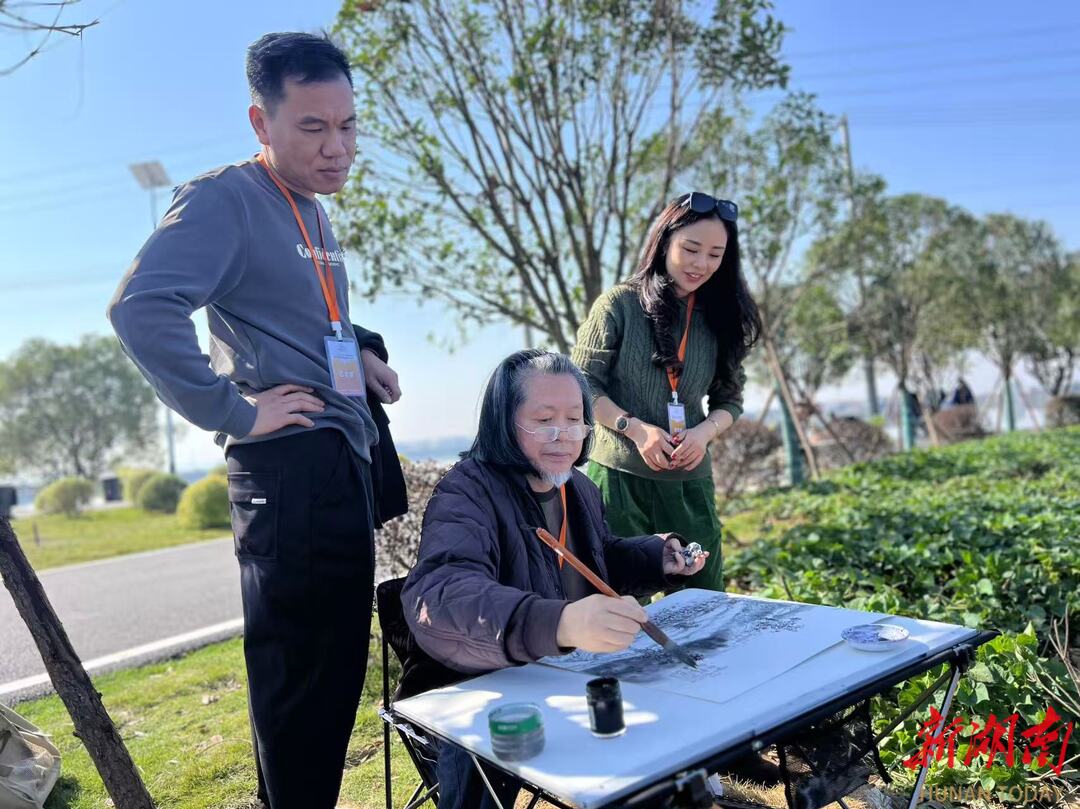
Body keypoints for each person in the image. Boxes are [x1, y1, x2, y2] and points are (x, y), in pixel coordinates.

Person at [107, 33, 402, 809]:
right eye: (313, 127)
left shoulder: (311, 211)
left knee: (331, 680)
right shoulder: (225, 199)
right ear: (260, 122)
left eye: (348, 125)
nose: (338, 147)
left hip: (337, 461)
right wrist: (232, 409)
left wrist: (361, 352)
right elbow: (140, 308)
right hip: (289, 472)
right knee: (301, 687)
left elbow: (301, 318)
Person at [402, 350, 708, 809]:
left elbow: (598, 560)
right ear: (504, 421)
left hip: (568, 672)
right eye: (544, 420)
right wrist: (561, 623)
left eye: (575, 419)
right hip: (479, 683)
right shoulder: (466, 491)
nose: (563, 435)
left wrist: (656, 558)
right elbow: (440, 596)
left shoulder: (577, 486)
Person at [571, 192, 760, 590]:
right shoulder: (618, 305)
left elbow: (730, 399)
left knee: (705, 601)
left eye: (715, 254)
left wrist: (703, 433)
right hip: (618, 481)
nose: (701, 264)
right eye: (690, 249)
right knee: (620, 602)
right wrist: (635, 429)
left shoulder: (722, 317)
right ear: (664, 242)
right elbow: (582, 382)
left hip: (690, 484)